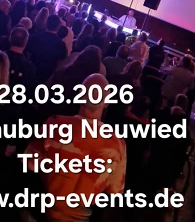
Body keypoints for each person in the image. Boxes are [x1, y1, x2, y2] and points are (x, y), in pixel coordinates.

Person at [24, 74, 126, 222]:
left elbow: (29, 168)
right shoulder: (117, 142)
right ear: (106, 102)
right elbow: (114, 192)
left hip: (44, 212)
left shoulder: (55, 124)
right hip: (81, 217)